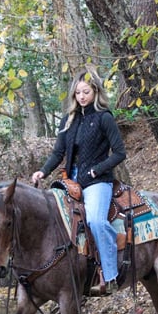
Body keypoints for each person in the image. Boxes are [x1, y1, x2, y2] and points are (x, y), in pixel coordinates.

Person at [32, 66, 126, 296]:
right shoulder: (69, 119)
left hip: (97, 182)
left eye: (86, 92)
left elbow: (119, 153)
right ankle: (68, 276)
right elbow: (58, 153)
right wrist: (42, 172)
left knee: (95, 220)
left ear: (95, 91)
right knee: (53, 221)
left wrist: (96, 171)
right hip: (71, 183)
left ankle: (111, 274)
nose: (82, 97)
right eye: (78, 93)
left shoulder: (104, 118)